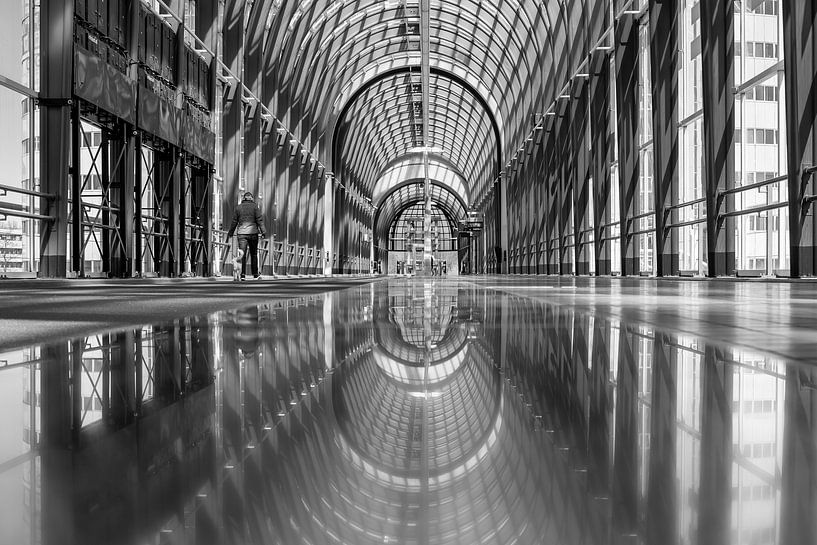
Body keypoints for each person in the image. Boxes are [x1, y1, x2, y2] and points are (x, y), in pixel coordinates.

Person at [226, 191, 266, 280]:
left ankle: (242, 274)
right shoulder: (255, 207)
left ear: (243, 198)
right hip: (253, 233)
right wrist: (263, 232)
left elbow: (234, 221)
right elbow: (259, 220)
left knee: (242, 254)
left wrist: (231, 233)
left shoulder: (238, 207)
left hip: (241, 234)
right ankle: (255, 274)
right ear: (252, 198)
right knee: (254, 254)